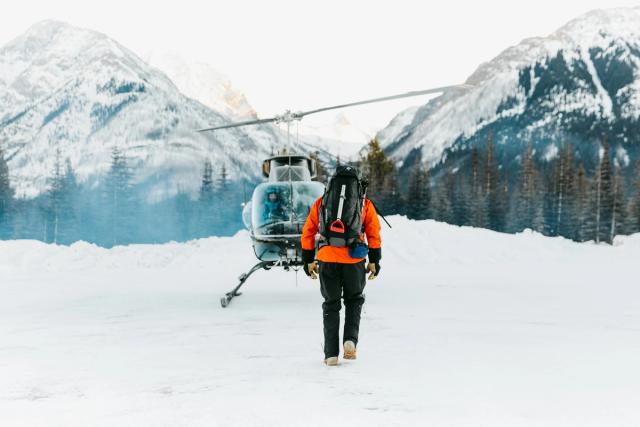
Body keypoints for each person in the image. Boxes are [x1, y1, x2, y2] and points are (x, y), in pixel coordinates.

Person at [300, 169, 381, 366]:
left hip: (327, 259)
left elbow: (308, 232)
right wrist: (374, 261)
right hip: (354, 261)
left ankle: (330, 354)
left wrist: (308, 260)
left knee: (331, 304)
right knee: (354, 301)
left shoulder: (322, 202)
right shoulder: (364, 204)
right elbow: (373, 233)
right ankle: (350, 341)